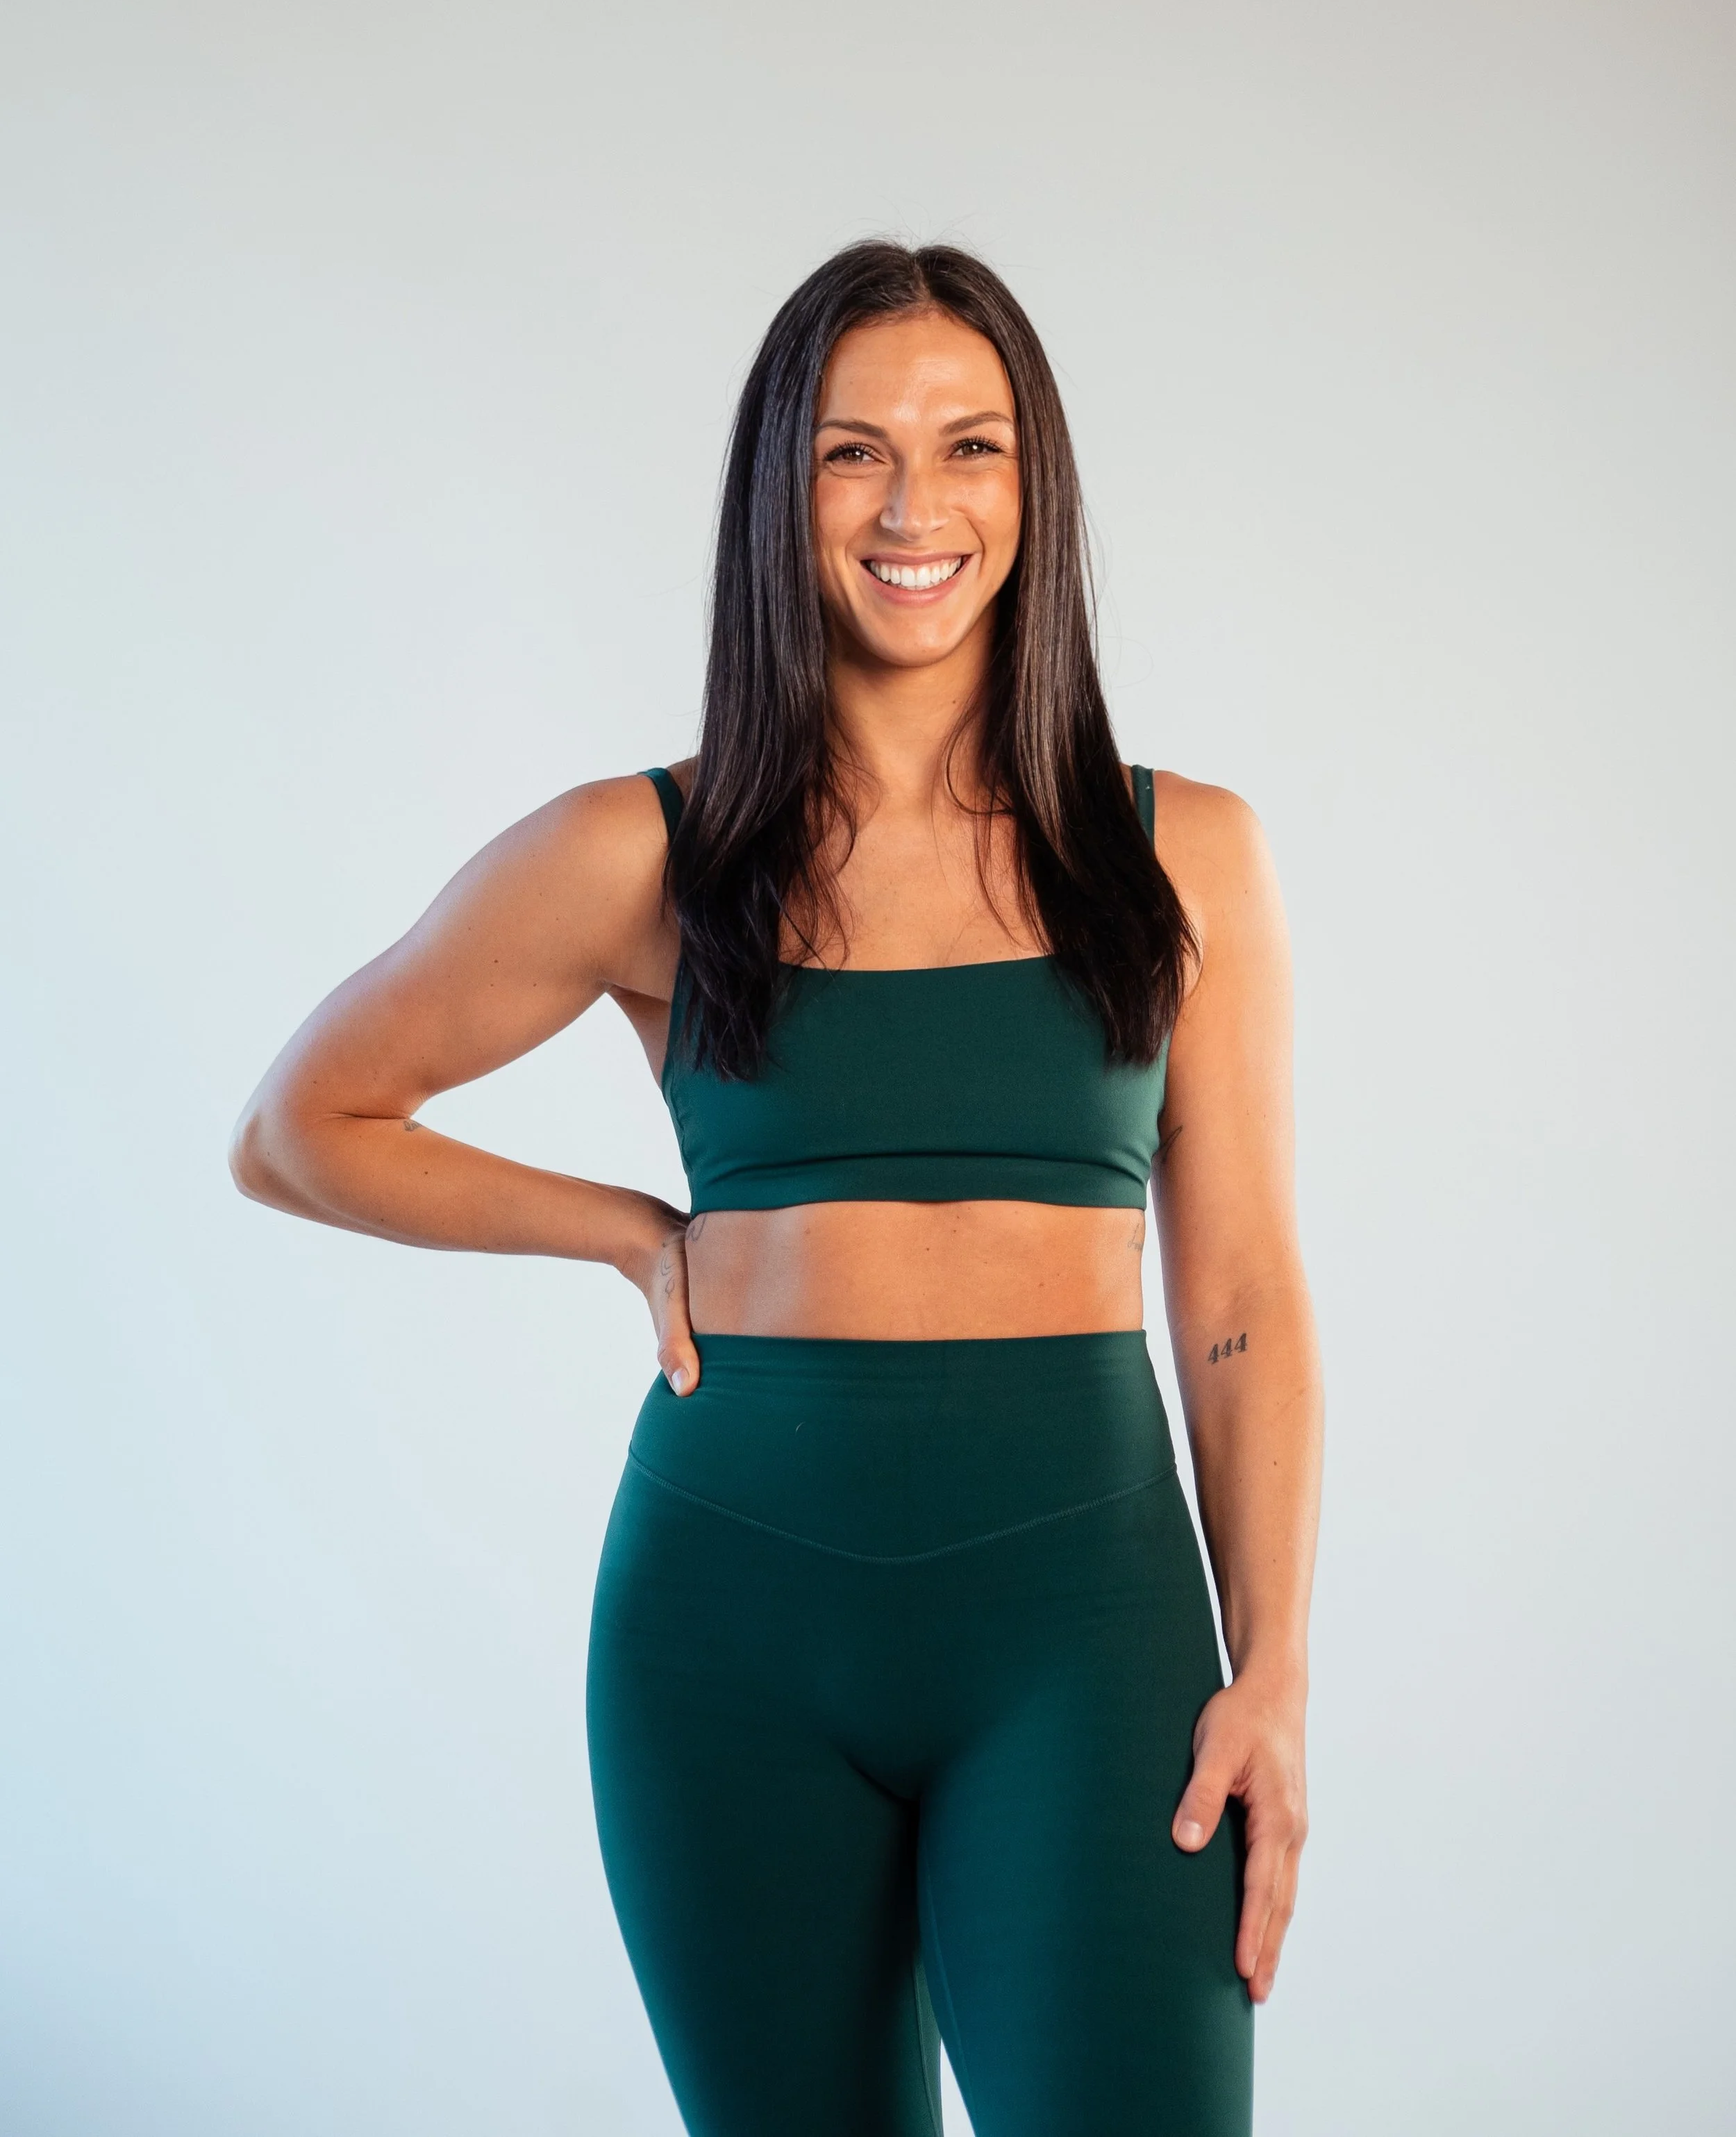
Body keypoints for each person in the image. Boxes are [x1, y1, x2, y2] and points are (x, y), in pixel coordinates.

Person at [231, 241, 1323, 2137]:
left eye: (968, 445)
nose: (916, 506)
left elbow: (1234, 1297)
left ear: (1030, 486)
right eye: (851, 454)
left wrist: (1277, 1668)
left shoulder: (1182, 854)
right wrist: (624, 1231)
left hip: (1088, 1626)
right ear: (775, 493)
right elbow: (303, 1121)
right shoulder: (640, 848)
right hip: (728, 1631)